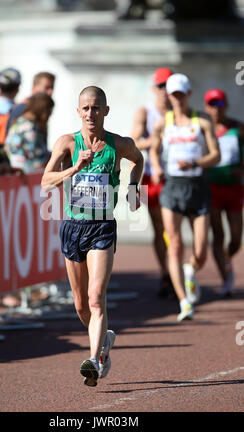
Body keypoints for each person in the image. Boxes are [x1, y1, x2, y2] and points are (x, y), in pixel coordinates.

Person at [41, 86, 143, 386]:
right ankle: (104, 343)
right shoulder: (66, 143)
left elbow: (139, 160)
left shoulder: (119, 144)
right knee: (81, 305)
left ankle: (95, 361)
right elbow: (46, 181)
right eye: (85, 108)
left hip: (101, 226)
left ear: (106, 111)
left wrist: (134, 189)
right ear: (78, 112)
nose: (90, 113)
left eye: (96, 108)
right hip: (73, 226)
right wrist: (75, 167)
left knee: (96, 298)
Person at [150, 73, 220, 321]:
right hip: (173, 188)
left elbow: (216, 155)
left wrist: (194, 162)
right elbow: (155, 151)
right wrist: (157, 167)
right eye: (173, 94)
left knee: (201, 250)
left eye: (181, 94)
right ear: (168, 96)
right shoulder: (162, 124)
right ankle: (184, 302)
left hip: (198, 187)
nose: (177, 99)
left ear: (188, 94)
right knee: (175, 245)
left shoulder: (201, 121)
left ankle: (191, 269)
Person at [131, 67, 174, 298]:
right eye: (161, 86)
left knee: (173, 230)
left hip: (178, 177)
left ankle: (177, 271)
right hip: (151, 176)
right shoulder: (145, 112)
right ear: (154, 88)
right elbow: (133, 142)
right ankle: (166, 273)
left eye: (168, 85)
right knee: (160, 227)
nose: (165, 91)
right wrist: (156, 139)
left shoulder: (183, 110)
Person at [204, 88, 244, 297]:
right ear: (206, 107)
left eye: (219, 104)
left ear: (226, 105)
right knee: (217, 234)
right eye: (211, 104)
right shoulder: (203, 129)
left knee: (236, 237)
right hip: (212, 188)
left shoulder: (237, 128)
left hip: (234, 188)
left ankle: (228, 256)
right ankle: (226, 279)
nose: (216, 109)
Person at [5, 93, 54, 173]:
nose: (50, 115)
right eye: (50, 110)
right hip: (26, 170)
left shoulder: (18, 121)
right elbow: (37, 156)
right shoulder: (29, 127)